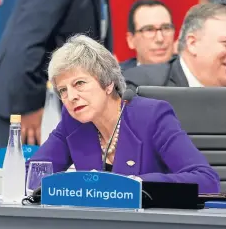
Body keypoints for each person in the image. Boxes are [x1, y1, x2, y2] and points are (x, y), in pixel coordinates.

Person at [0, 0, 141, 150]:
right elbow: (29, 34)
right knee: (26, 179)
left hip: (59, 102)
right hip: (31, 103)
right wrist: (28, 106)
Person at [27, 34, 220, 193]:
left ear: (108, 83)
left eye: (79, 84)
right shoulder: (73, 121)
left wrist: (137, 183)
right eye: (63, 90)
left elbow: (206, 180)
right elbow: (33, 174)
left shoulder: (152, 117)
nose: (71, 97)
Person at [124, 3, 226, 91]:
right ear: (192, 44)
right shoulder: (140, 87)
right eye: (225, 43)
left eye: (166, 28)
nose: (160, 38)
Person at [120, 0, 176, 71]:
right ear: (131, 40)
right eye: (149, 30)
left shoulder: (190, 71)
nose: (160, 39)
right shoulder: (114, 79)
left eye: (166, 28)